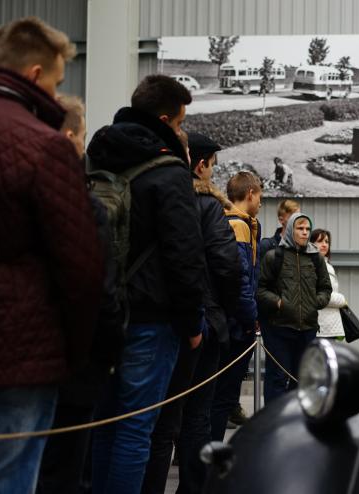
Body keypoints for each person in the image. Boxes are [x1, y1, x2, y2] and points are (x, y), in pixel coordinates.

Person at [0, 17, 103, 493]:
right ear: (33, 75)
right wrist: (73, 353)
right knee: (1, 484)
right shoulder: (43, 145)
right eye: (55, 80)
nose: (55, 91)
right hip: (17, 358)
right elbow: (81, 267)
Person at [87, 74, 205, 494]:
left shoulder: (97, 156)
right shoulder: (170, 172)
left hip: (101, 313)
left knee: (105, 425)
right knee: (137, 428)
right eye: (178, 123)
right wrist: (192, 324)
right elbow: (184, 255)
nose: (179, 131)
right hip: (152, 320)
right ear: (162, 118)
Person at [142, 133, 241, 494]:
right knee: (195, 416)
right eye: (212, 165)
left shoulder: (154, 196)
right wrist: (227, 311)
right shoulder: (208, 206)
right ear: (201, 166)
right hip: (201, 322)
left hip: (159, 321)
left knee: (159, 423)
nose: (213, 172)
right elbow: (227, 266)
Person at [37, 94, 124, 494]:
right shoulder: (81, 205)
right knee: (64, 468)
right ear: (70, 136)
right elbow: (97, 288)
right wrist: (107, 351)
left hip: (20, 359)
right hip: (71, 359)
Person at [209, 171, 262, 442]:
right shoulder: (239, 226)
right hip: (234, 326)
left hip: (230, 321)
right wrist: (251, 316)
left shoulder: (241, 222)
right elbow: (242, 277)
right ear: (250, 193)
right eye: (260, 195)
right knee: (223, 398)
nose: (261, 202)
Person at [258, 212, 332, 403]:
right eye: (300, 228)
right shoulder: (274, 257)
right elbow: (261, 290)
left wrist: (316, 302)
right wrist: (279, 302)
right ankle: (274, 424)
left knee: (302, 380)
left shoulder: (315, 258)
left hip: (307, 329)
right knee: (278, 379)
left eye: (307, 229)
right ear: (291, 229)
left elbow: (325, 288)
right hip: (279, 329)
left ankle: (297, 422)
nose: (305, 232)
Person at [311, 229, 348, 340]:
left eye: (327, 242)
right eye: (320, 241)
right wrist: (342, 300)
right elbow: (322, 295)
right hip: (321, 327)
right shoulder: (313, 265)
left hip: (329, 326)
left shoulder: (328, 265)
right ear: (311, 244)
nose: (324, 245)